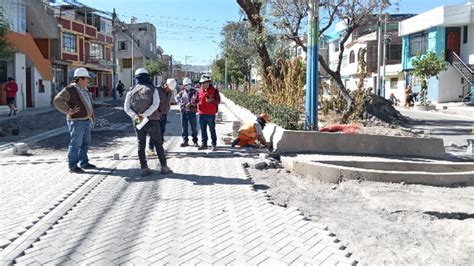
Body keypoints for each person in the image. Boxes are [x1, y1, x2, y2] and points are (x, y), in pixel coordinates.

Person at [124, 68, 171, 176]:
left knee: (141, 144)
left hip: (137, 121)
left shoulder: (131, 91)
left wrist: (136, 116)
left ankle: (144, 168)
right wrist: (144, 115)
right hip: (152, 120)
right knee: (158, 144)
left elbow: (126, 108)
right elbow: (155, 105)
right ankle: (164, 167)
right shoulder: (153, 89)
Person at [53, 68, 97, 173]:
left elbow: (89, 104)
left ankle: (84, 162)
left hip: (85, 121)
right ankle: (73, 165)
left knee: (85, 143)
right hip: (76, 121)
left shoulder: (85, 90)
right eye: (86, 79)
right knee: (76, 144)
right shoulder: (70, 90)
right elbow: (57, 100)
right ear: (80, 79)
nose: (88, 81)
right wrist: (68, 110)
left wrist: (92, 116)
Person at [147, 78, 176, 155]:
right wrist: (157, 112)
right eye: (168, 88)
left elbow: (168, 101)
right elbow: (152, 102)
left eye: (170, 89)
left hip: (164, 114)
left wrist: (168, 108)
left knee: (162, 131)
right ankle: (151, 148)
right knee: (154, 132)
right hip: (156, 115)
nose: (169, 90)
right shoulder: (157, 90)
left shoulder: (169, 92)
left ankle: (159, 148)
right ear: (166, 85)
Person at [197, 74, 220, 151]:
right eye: (201, 83)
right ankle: (204, 144)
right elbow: (196, 100)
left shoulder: (214, 91)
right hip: (201, 113)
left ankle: (214, 144)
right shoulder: (199, 91)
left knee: (212, 129)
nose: (202, 84)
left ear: (208, 83)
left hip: (210, 114)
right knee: (203, 130)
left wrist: (212, 101)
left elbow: (218, 101)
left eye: (203, 83)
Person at [177, 77, 199, 147]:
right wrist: (180, 103)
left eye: (188, 84)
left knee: (193, 127)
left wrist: (192, 104)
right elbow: (177, 98)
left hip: (191, 112)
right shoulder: (182, 92)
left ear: (190, 84)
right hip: (184, 112)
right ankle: (185, 141)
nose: (187, 86)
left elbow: (197, 100)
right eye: (185, 85)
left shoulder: (195, 91)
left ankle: (195, 141)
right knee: (184, 127)